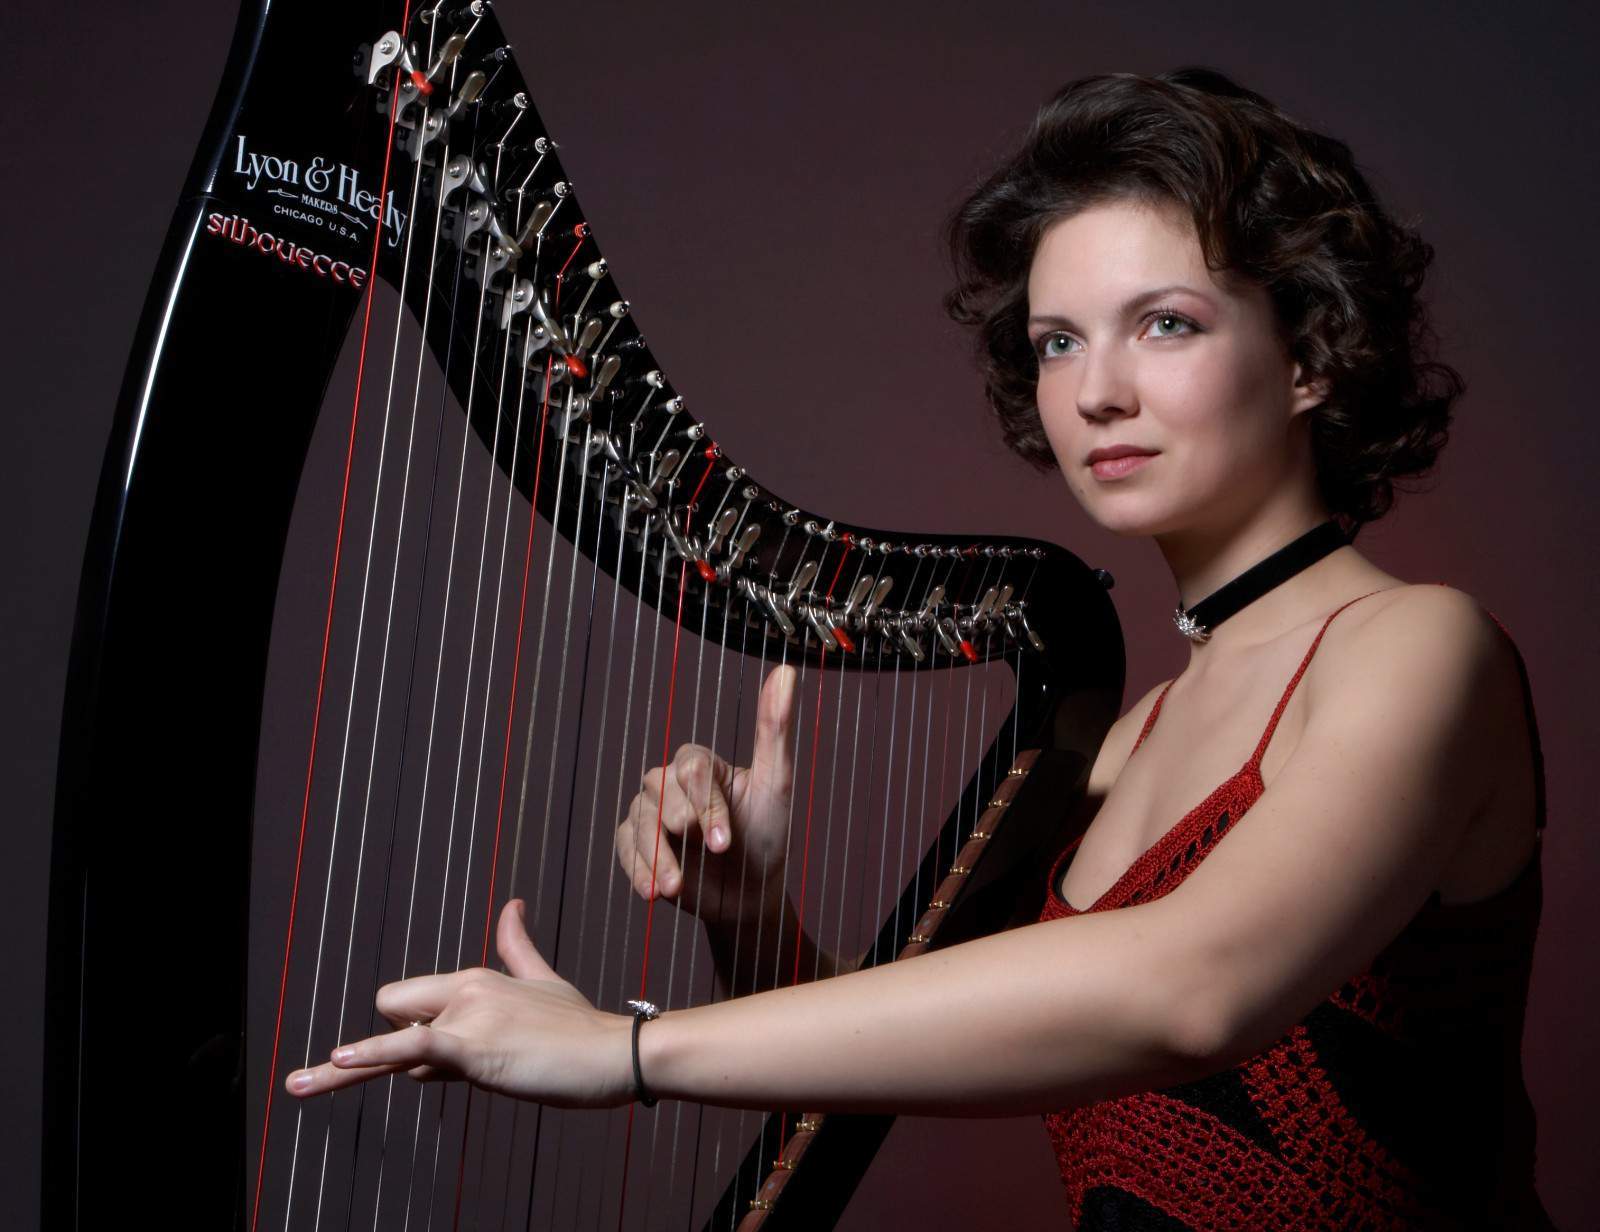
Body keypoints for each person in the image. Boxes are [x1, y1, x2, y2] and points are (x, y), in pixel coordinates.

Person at [287, 67, 1552, 1228]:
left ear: (1309, 355)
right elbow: (951, 1049)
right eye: (1059, 341)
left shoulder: (1419, 650)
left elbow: (1188, 991)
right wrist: (753, 916)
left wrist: (624, 1049)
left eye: (1164, 323)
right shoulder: (1128, 738)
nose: (1095, 391)